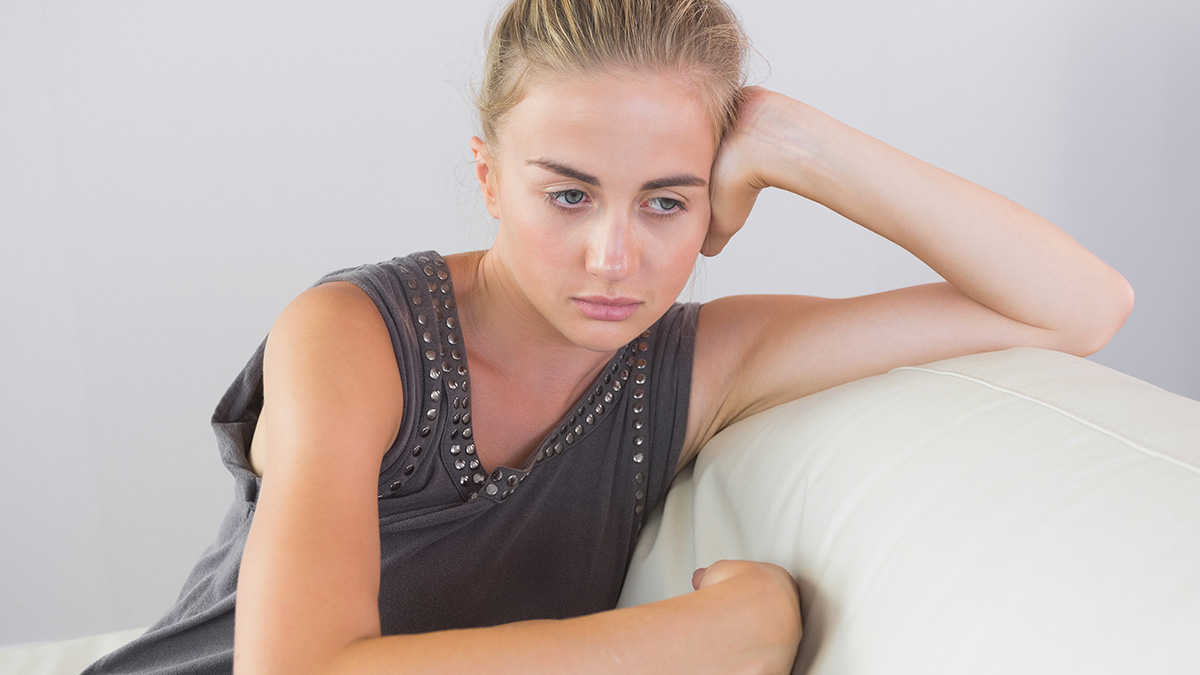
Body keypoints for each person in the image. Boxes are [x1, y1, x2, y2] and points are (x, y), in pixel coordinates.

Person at [84, 0, 1133, 673]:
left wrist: (791, 140)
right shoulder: (353, 336)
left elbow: (1076, 306)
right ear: (490, 178)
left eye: (666, 203)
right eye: (571, 195)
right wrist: (719, 636)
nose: (613, 259)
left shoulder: (694, 368)